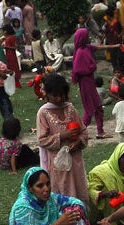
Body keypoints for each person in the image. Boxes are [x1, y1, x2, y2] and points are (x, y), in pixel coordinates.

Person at [36, 73, 90, 202]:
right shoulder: (43, 113)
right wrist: (63, 135)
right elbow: (42, 140)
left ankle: (80, 219)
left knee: (78, 192)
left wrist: (78, 142)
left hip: (75, 160)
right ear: (47, 94)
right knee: (62, 194)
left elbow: (84, 132)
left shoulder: (70, 109)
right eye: (55, 95)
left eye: (62, 95)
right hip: (57, 164)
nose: (60, 98)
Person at [86, 141, 124, 224]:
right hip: (103, 211)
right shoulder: (101, 171)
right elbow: (91, 190)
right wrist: (104, 194)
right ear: (118, 157)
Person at [72, 28, 111, 138]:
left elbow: (100, 47)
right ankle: (80, 132)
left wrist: (117, 46)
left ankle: (100, 131)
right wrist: (89, 69)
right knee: (90, 110)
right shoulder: (80, 52)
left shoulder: (87, 48)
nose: (89, 37)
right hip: (85, 84)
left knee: (98, 107)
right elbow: (77, 69)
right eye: (87, 36)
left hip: (90, 83)